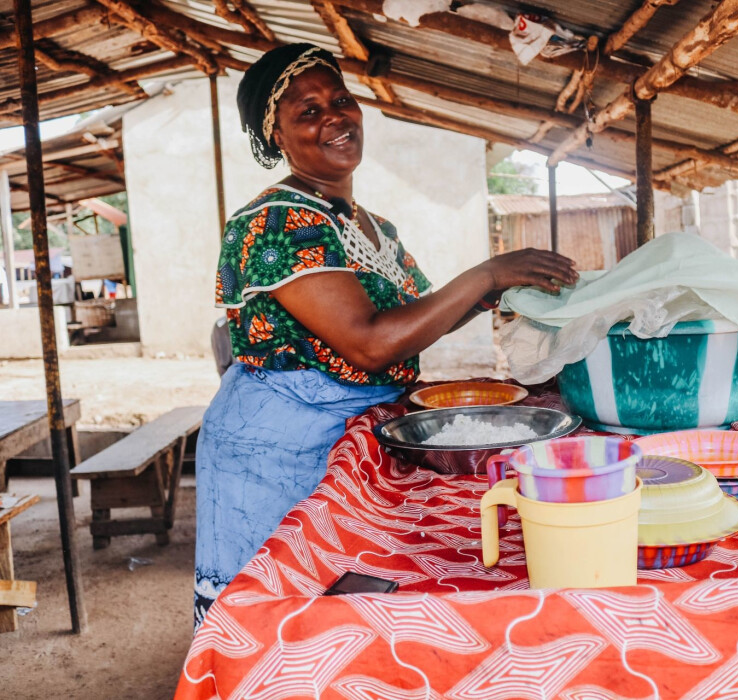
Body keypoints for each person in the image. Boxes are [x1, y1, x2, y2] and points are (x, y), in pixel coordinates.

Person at [194, 43, 578, 628]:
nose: (335, 118)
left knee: (336, 613)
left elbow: (421, 318)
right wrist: (486, 274)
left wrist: (500, 291)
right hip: (276, 447)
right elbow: (371, 342)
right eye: (309, 111)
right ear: (275, 137)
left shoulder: (376, 228)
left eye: (340, 100)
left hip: (348, 435)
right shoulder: (276, 221)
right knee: (271, 614)